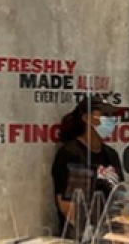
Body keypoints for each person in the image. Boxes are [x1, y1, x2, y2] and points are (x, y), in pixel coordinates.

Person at [50, 98, 124, 231]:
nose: (111, 120)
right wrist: (95, 234)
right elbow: (70, 208)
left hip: (111, 232)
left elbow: (119, 200)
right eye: (105, 115)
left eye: (112, 115)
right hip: (83, 235)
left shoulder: (111, 154)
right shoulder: (72, 154)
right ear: (87, 118)